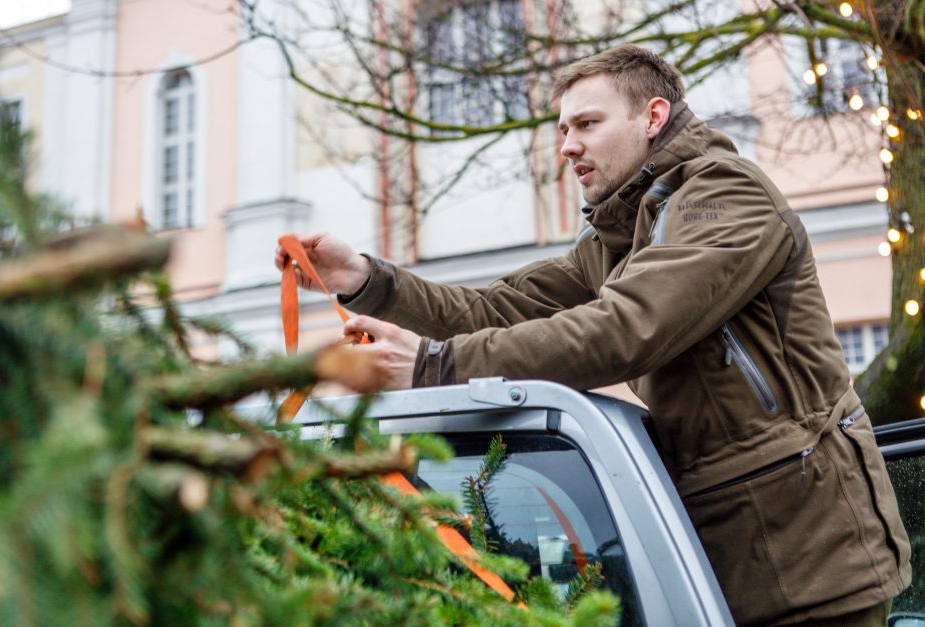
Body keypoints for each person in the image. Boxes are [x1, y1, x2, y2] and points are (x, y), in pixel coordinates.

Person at [275, 45, 910, 626]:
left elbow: (624, 330)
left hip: (811, 560)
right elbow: (499, 308)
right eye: (562, 130)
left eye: (586, 125)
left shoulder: (726, 194)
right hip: (725, 556)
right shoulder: (620, 233)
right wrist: (364, 279)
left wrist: (435, 367)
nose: (567, 147)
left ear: (653, 116)